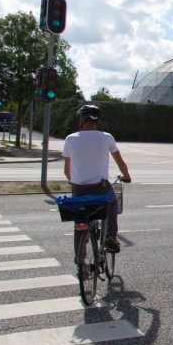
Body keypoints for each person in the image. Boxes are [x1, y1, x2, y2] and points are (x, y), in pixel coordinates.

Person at [63, 104, 131, 253]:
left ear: (81, 120)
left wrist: (75, 181)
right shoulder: (106, 137)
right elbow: (121, 163)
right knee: (113, 204)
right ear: (97, 122)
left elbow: (67, 171)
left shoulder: (70, 139)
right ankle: (111, 237)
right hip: (100, 188)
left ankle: (80, 261)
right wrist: (127, 176)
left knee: (80, 220)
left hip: (78, 189)